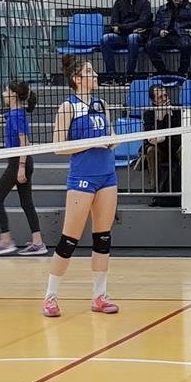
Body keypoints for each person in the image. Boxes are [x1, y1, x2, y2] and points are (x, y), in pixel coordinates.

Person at [42, 55, 120, 317]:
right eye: (89, 71)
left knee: (103, 238)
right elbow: (58, 147)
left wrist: (112, 140)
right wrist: (91, 143)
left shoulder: (101, 104)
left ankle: (99, 296)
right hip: (82, 178)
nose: (95, 75)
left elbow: (109, 134)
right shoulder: (68, 107)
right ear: (77, 79)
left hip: (107, 175)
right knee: (69, 240)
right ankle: (50, 297)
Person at [0, 83, 47, 256]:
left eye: (6, 90)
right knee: (26, 203)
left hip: (18, 162)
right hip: (21, 162)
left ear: (13, 94)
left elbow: (24, 143)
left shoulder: (17, 116)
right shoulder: (14, 113)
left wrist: (20, 168)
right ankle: (38, 243)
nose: (4, 93)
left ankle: (6, 241)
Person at [100, 0, 152, 84]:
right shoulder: (118, 3)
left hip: (138, 37)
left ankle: (130, 75)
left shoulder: (145, 3)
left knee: (133, 38)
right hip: (122, 36)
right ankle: (111, 76)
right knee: (105, 39)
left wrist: (121, 27)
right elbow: (114, 22)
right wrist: (129, 28)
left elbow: (143, 22)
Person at [140, 0, 191, 77]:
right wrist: (160, 32)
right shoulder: (163, 9)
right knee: (150, 45)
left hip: (183, 36)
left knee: (186, 44)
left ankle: (182, 72)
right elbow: (155, 27)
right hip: (166, 37)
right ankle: (163, 72)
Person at [142, 84, 182, 206]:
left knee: (185, 149)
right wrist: (160, 119)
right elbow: (150, 138)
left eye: (165, 95)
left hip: (175, 147)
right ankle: (156, 190)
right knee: (151, 151)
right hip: (159, 150)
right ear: (154, 101)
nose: (165, 99)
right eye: (160, 97)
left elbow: (180, 135)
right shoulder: (149, 114)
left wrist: (163, 138)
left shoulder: (178, 110)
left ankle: (185, 187)